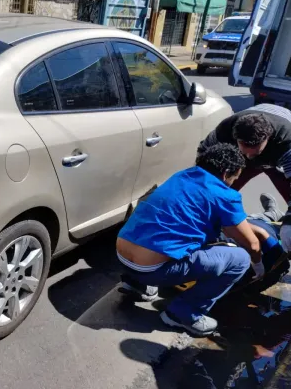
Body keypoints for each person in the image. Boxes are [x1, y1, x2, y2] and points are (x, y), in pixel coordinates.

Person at [116, 143, 261, 336]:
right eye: (235, 177)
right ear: (226, 173)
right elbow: (251, 243)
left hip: (122, 255)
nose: (234, 182)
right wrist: (258, 265)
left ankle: (137, 284)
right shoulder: (225, 195)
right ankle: (183, 314)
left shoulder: (182, 175)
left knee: (167, 231)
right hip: (152, 269)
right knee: (240, 259)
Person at [198, 104, 291, 251]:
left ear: (267, 138)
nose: (250, 157)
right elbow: (204, 159)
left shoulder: (286, 142)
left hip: (276, 158)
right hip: (240, 158)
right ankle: (271, 214)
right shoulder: (224, 132)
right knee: (220, 197)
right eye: (245, 152)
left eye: (254, 153)